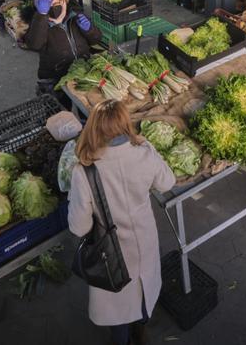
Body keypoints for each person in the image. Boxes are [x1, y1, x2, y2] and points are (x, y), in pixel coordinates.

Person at [68, 99, 175, 345]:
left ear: (92, 128)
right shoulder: (144, 152)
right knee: (143, 292)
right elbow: (167, 182)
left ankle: (123, 340)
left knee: (118, 308)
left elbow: (79, 227)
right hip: (144, 240)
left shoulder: (84, 171)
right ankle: (141, 332)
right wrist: (150, 149)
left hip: (111, 255)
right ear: (126, 124)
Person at [24, 0, 101, 97]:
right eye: (48, 6)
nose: (53, 9)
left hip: (83, 72)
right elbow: (34, 44)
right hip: (56, 79)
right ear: (39, 5)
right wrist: (41, 15)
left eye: (56, 4)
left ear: (63, 0)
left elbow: (96, 40)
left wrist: (89, 30)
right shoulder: (39, 24)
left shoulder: (75, 17)